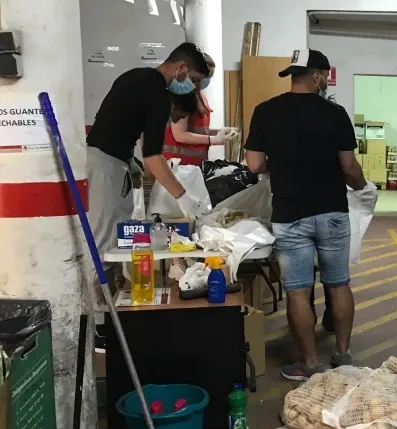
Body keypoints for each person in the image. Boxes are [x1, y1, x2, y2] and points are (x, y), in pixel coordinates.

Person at [243, 49, 369, 381]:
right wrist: (362, 186)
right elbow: (349, 168)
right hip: (331, 212)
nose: (326, 81)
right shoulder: (336, 113)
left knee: (298, 290)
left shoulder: (265, 111)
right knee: (338, 284)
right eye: (324, 76)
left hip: (290, 214)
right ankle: (342, 356)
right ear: (316, 76)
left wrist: (280, 165)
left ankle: (310, 364)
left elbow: (254, 165)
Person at [86, 42, 213, 269]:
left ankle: (110, 298)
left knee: (116, 234)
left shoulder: (134, 76)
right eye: (193, 79)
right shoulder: (158, 93)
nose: (193, 87)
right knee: (104, 243)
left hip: (108, 160)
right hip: (105, 165)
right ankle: (97, 302)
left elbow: (112, 122)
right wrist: (183, 196)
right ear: (181, 67)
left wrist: (128, 159)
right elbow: (153, 156)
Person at [162, 54, 238, 165]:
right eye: (205, 76)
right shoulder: (181, 95)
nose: (206, 81)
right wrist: (213, 139)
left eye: (209, 77)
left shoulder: (200, 96)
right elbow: (179, 135)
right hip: (176, 165)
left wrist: (219, 133)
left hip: (193, 165)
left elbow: (196, 131)